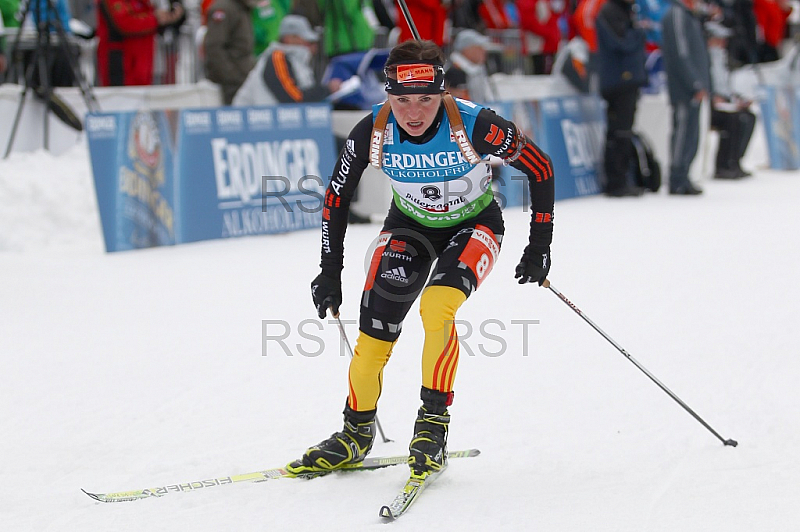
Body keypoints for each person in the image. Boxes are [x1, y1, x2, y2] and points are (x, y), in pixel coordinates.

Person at [285, 39, 555, 480]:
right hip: (409, 228)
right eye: (402, 100)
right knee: (373, 333)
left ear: (443, 93)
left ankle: (432, 426)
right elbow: (336, 197)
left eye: (426, 100)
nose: (413, 112)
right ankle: (355, 434)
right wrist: (329, 271)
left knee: (437, 305)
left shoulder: (476, 124)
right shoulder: (371, 131)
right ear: (386, 94)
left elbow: (539, 167)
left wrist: (539, 244)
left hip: (475, 226)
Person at [595, 0, 648, 196]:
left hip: (627, 80)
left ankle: (623, 178)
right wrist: (639, 31)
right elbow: (620, 42)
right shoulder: (609, 11)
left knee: (624, 131)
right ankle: (616, 182)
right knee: (619, 132)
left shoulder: (625, 10)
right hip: (619, 81)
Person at [661, 0, 711, 195]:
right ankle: (677, 177)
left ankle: (685, 174)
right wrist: (694, 83)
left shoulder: (689, 15)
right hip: (684, 89)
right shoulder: (676, 15)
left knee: (692, 132)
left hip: (693, 87)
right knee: (683, 132)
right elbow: (681, 53)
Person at [232, 14, 327, 105]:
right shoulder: (277, 57)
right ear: (288, 38)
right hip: (253, 118)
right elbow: (292, 97)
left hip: (270, 117)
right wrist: (327, 89)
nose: (308, 44)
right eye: (305, 39)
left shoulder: (296, 61)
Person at [706, 20, 756, 179]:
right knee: (733, 120)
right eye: (718, 38)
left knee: (748, 117)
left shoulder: (722, 57)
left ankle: (735, 160)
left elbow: (725, 85)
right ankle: (723, 164)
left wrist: (736, 98)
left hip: (724, 102)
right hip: (710, 104)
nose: (722, 42)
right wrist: (713, 96)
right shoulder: (706, 57)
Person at [96, 0, 184, 86]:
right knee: (119, 97)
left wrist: (168, 17)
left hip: (142, 65)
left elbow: (150, 14)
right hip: (121, 63)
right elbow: (125, 24)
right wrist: (155, 19)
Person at [204, 0, 257, 104]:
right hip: (230, 83)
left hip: (243, 78)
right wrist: (231, 75)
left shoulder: (242, 8)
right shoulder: (224, 8)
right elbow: (214, 47)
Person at [444, 29, 499, 103]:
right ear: (467, 49)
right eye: (479, 47)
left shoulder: (477, 69)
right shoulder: (454, 70)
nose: (484, 51)